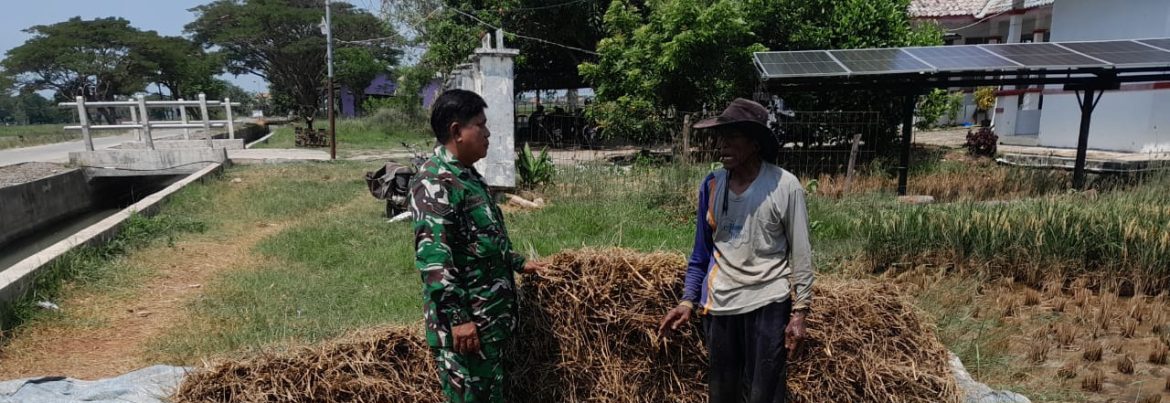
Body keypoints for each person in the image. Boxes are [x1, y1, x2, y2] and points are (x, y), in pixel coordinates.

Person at [658, 98, 814, 403]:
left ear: (755, 143)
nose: (722, 145)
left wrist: (800, 313)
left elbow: (802, 253)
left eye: (732, 137)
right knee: (722, 395)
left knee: (764, 395)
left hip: (768, 303)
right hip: (721, 306)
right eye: (720, 137)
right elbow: (701, 252)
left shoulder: (784, 186)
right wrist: (688, 301)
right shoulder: (712, 185)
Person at [410, 89, 546, 403]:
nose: (487, 133)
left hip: (486, 324)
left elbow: (481, 237)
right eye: (480, 125)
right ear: (457, 131)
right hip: (466, 332)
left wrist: (517, 262)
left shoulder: (467, 176)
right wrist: (459, 320)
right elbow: (434, 261)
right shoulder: (434, 182)